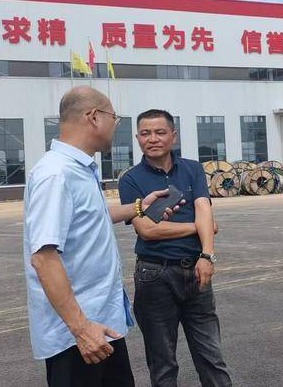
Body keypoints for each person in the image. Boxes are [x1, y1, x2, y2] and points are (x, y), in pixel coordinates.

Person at [24, 86, 180, 386]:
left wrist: (140, 207)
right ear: (94, 117)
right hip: (78, 335)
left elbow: (92, 217)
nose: (115, 125)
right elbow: (43, 257)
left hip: (102, 324)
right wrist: (81, 328)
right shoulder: (56, 175)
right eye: (113, 117)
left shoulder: (80, 169)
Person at [118, 109, 231, 387]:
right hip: (154, 275)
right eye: (145, 133)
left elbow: (204, 208)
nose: (152, 139)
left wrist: (207, 255)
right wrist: (198, 227)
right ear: (137, 138)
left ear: (173, 136)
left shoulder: (193, 169)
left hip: (196, 270)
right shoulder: (130, 179)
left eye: (160, 132)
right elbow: (147, 230)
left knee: (212, 359)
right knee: (163, 365)